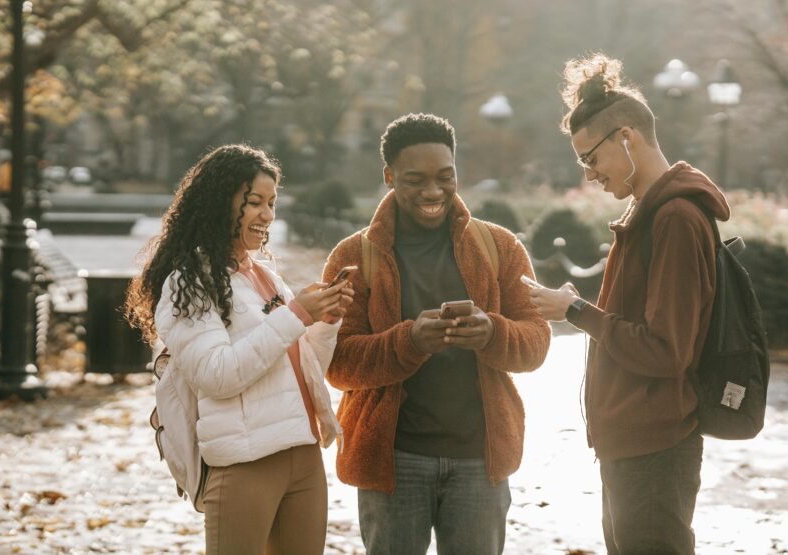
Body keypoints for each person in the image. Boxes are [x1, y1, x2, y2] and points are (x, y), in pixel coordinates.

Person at [526, 54, 731, 555]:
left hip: (656, 446)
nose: (589, 174)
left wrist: (574, 312)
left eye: (590, 159)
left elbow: (665, 350)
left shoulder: (676, 217)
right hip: (634, 443)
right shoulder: (650, 212)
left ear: (626, 137)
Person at [323, 113, 550, 555]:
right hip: (393, 462)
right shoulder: (354, 256)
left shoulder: (499, 246)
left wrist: (492, 333)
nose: (433, 191)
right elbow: (337, 363)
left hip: (480, 460)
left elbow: (537, 342)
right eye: (415, 180)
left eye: (445, 177)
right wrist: (408, 342)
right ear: (389, 177)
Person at [124, 144, 352, 555]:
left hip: (302, 455)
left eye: (272, 203)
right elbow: (217, 375)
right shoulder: (188, 284)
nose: (267, 215)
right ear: (219, 203)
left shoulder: (263, 276)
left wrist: (327, 321)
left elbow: (304, 368)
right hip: (246, 464)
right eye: (254, 203)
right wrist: (296, 314)